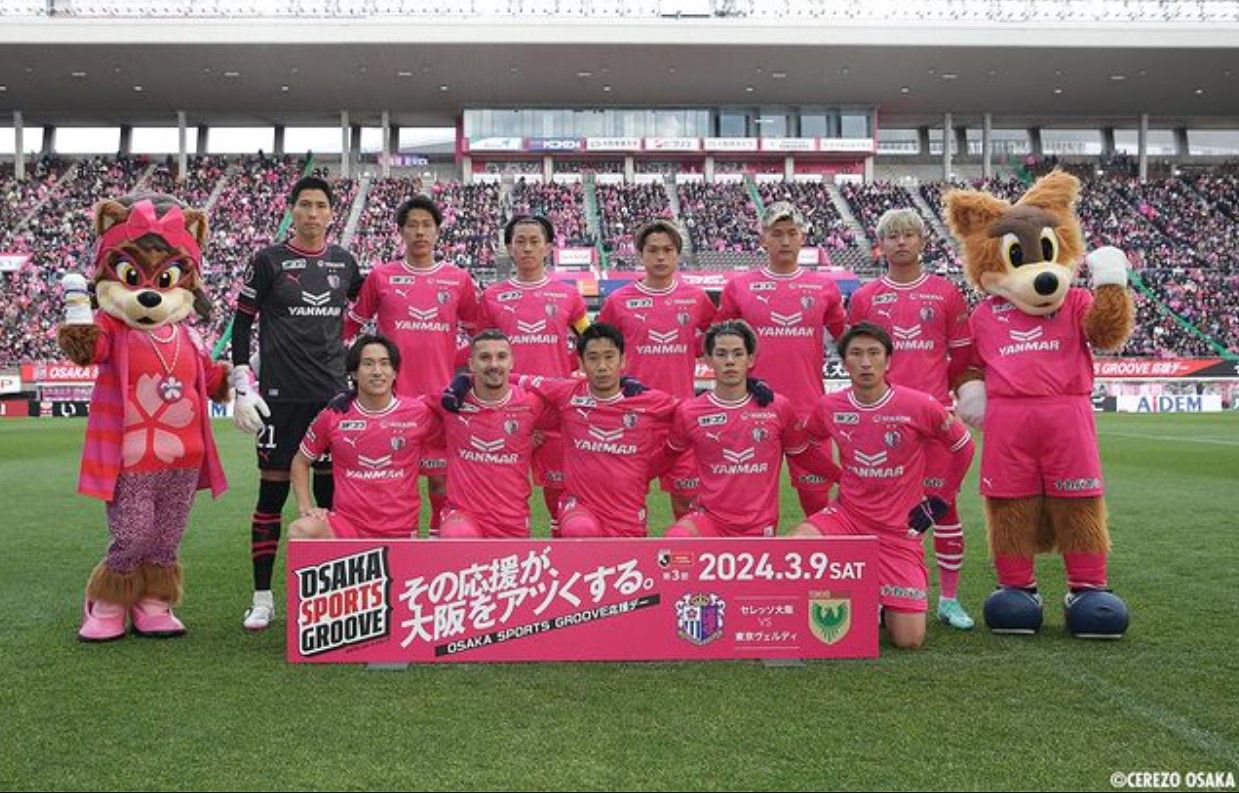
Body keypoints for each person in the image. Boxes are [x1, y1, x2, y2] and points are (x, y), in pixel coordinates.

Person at [229, 175, 363, 632]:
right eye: (304, 205)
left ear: (331, 213)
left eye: (319, 206)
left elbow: (365, 312)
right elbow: (243, 324)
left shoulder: (345, 263)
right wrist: (242, 383)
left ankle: (336, 593)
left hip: (331, 398)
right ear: (292, 210)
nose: (311, 213)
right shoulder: (268, 261)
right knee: (272, 493)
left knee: (332, 499)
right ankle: (262, 598)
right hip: (280, 400)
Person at [789, 323, 975, 650]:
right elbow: (805, 447)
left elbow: (963, 446)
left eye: (874, 353)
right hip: (847, 518)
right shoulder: (829, 407)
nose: (865, 362)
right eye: (856, 354)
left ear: (888, 361)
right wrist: (837, 475)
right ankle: (862, 592)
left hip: (897, 531)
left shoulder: (918, 405)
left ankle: (880, 595)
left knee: (908, 640)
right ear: (844, 363)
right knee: (796, 546)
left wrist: (941, 499)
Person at [846, 208, 977, 630]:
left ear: (923, 242)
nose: (901, 243)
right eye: (892, 237)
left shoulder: (945, 294)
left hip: (934, 420)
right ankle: (883, 595)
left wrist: (953, 402)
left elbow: (962, 358)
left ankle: (950, 600)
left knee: (944, 509)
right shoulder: (865, 297)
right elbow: (858, 355)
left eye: (908, 235)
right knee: (879, 511)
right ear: (879, 246)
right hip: (883, 422)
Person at [344, 195, 481, 536]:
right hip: (389, 402)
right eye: (413, 226)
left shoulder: (458, 279)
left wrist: (453, 360)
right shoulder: (381, 277)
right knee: (391, 486)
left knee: (440, 484)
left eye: (427, 225)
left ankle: (435, 555)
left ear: (437, 232)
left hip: (439, 402)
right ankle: (397, 553)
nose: (420, 232)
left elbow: (479, 336)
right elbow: (350, 328)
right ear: (401, 232)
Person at [716, 202, 846, 519]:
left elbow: (849, 342)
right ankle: (757, 566)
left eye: (792, 233)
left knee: (816, 501)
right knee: (752, 505)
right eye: (777, 234)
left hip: (810, 411)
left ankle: (820, 566)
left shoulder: (824, 287)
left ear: (803, 238)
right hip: (754, 410)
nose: (785, 241)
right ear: (763, 239)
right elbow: (717, 342)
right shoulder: (739, 287)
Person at [660, 320, 838, 538]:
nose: (730, 361)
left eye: (737, 353)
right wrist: (634, 477)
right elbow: (668, 456)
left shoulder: (777, 407)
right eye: (721, 354)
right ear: (707, 360)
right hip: (709, 520)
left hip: (758, 526)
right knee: (673, 546)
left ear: (750, 359)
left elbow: (804, 454)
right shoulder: (690, 411)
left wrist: (844, 476)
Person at [477, 215, 589, 535]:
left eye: (534, 241)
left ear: (548, 248)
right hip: (506, 410)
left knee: (559, 502)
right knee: (507, 501)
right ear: (509, 249)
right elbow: (481, 351)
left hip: (555, 414)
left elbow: (590, 342)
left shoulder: (568, 296)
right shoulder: (492, 296)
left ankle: (560, 567)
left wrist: (566, 371)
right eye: (520, 242)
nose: (527, 248)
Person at [597, 219, 715, 519]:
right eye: (653, 250)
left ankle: (686, 561)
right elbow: (600, 351)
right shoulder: (618, 301)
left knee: (687, 501)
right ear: (640, 254)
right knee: (627, 502)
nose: (660, 257)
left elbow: (716, 340)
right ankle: (634, 563)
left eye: (667, 250)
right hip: (633, 415)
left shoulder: (696, 298)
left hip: (682, 413)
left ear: (677, 255)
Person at [288, 335, 438, 541]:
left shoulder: (419, 412)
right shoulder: (333, 415)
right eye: (368, 364)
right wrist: (306, 508)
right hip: (347, 527)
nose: (377, 371)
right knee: (301, 530)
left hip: (400, 530)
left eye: (385, 364)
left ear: (395, 372)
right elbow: (300, 461)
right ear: (354, 373)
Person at [434, 330, 554, 538]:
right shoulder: (450, 402)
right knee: (458, 536)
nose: (494, 364)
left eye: (501, 357)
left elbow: (579, 408)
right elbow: (403, 411)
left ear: (512, 362)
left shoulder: (531, 403)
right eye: (484, 358)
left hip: (512, 519)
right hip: (463, 517)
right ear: (471, 364)